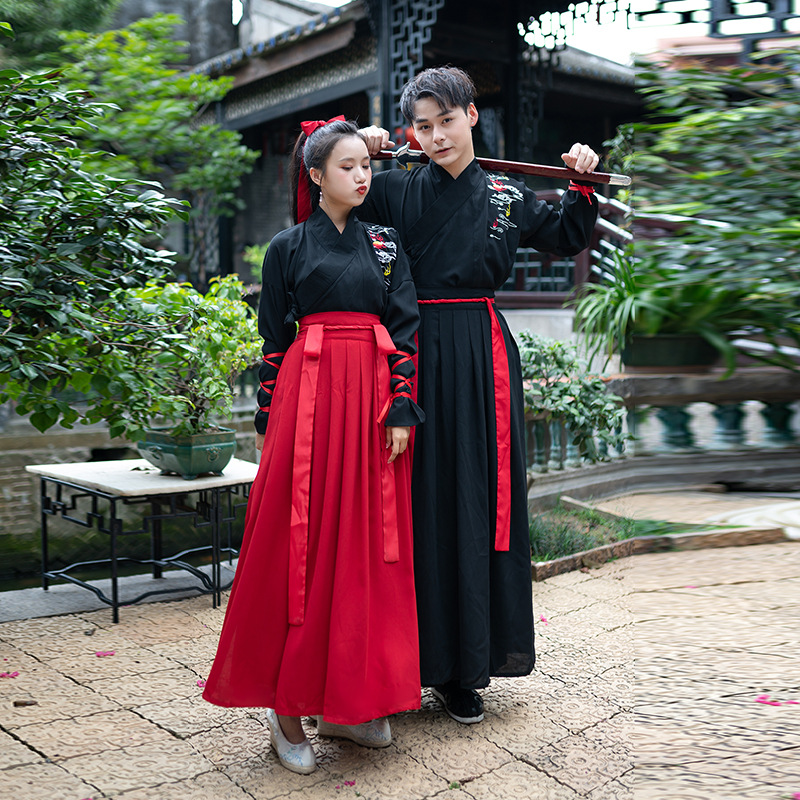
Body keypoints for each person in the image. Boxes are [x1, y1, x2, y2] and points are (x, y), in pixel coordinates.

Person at [357, 67, 600, 724]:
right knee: (416, 503)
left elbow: (570, 233)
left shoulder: (505, 196)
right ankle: (412, 661)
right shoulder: (395, 190)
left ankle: (465, 669)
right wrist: (356, 145)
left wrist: (579, 176)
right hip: (411, 355)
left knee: (477, 499)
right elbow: (325, 195)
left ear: (470, 116)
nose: (435, 136)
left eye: (446, 120)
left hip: (482, 357)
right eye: (422, 126)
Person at [203, 117, 425, 774]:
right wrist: (273, 422)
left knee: (361, 550)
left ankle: (348, 705)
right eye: (348, 165)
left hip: (372, 406)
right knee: (297, 549)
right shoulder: (287, 249)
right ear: (317, 176)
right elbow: (273, 345)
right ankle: (286, 709)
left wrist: (401, 409)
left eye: (366, 165)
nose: (362, 176)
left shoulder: (385, 245)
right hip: (310, 401)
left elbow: (405, 330)